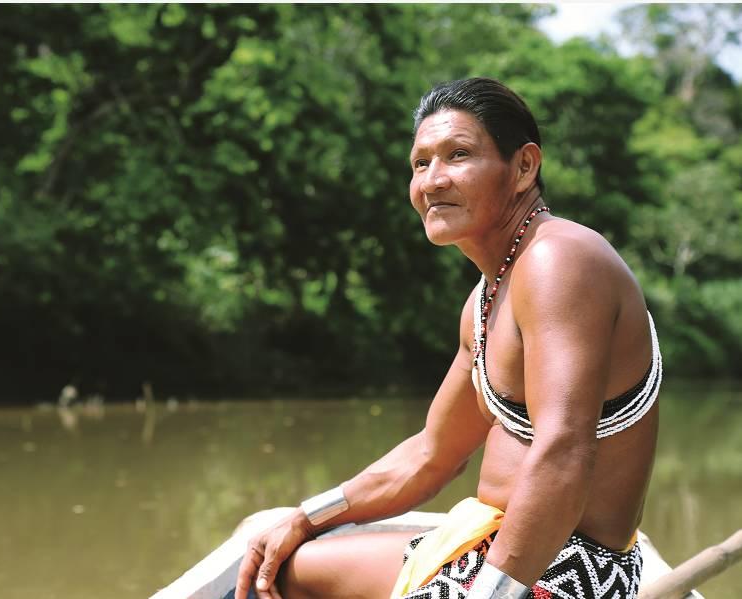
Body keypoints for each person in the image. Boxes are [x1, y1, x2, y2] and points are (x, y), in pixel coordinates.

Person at [234, 77, 661, 599]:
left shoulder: (559, 261)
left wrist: (491, 593)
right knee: (278, 570)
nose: (432, 181)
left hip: (566, 569)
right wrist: (305, 517)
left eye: (458, 155)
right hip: (485, 544)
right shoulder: (486, 299)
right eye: (420, 164)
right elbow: (431, 455)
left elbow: (564, 451)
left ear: (524, 167)